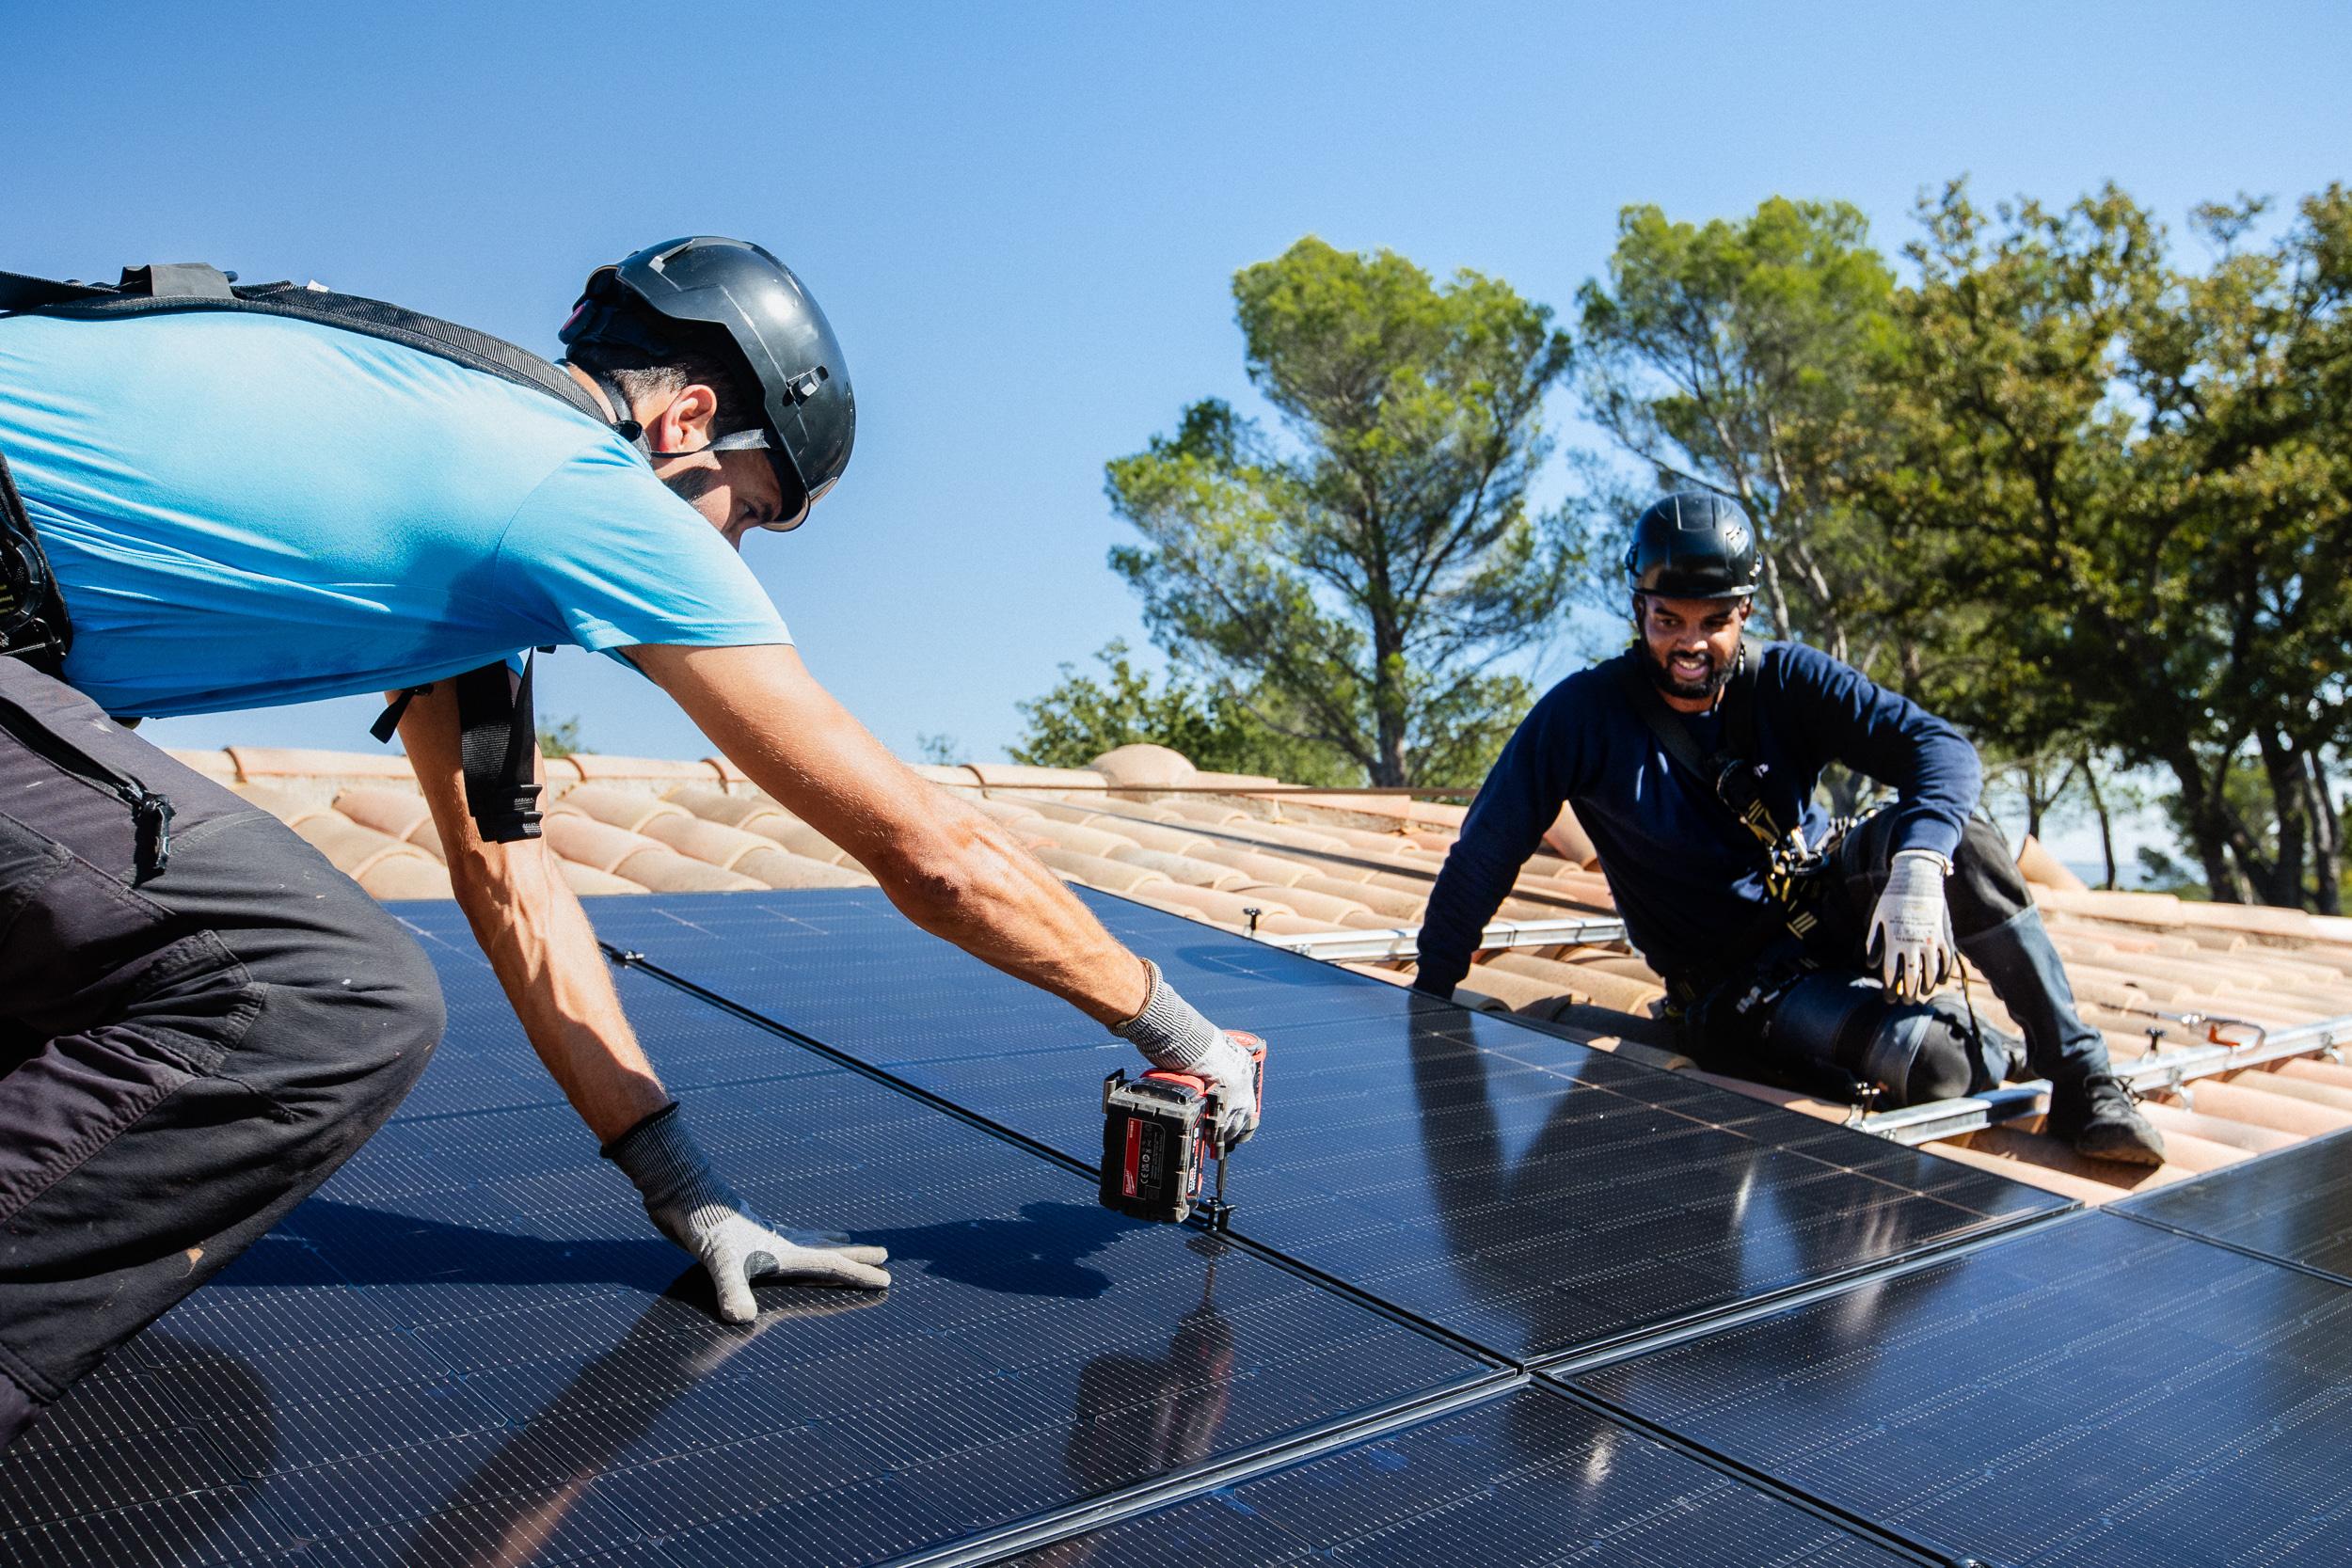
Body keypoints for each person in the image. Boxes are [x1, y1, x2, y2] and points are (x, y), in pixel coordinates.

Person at [0, 238, 1262, 1449]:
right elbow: (930, 851)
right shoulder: (578, 485)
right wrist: (1178, 1031)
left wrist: (690, 1191)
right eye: (751, 509)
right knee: (315, 992)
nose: (729, 551)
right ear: (686, 421)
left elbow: (510, 883)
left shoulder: (465, 490)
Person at [1415, 491, 2163, 1166]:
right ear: (1638, 608)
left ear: (1745, 612)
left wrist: (1919, 864)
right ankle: (1975, 1046)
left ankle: (2083, 1078)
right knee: (1938, 1068)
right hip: (1737, 986)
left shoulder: (1788, 682)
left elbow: (1941, 750)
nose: (1689, 643)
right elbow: (1487, 847)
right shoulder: (1582, 716)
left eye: (1713, 623)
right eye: (1668, 619)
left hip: (1825, 904)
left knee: (1957, 835)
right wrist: (1430, 993)